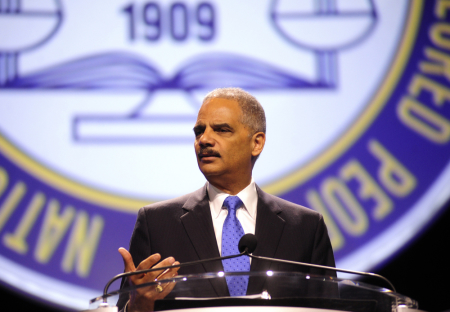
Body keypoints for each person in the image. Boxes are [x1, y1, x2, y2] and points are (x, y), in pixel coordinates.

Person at [117, 88, 335, 312]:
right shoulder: (157, 223)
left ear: (256, 143)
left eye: (221, 130)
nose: (204, 140)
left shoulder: (305, 228)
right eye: (199, 131)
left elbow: (330, 308)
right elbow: (128, 306)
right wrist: (138, 305)